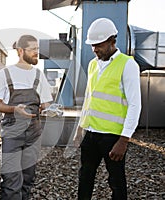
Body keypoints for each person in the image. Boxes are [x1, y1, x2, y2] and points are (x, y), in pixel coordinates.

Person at [73, 18, 142, 200]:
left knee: (117, 182)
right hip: (90, 133)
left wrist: (124, 140)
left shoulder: (128, 65)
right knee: (85, 178)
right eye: (92, 45)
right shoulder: (93, 64)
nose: (95, 49)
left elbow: (135, 105)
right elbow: (89, 98)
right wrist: (80, 128)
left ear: (112, 41)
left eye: (99, 45)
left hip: (112, 137)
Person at [0, 34, 53, 200]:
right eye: (33, 50)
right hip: (11, 134)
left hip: (33, 134)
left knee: (27, 179)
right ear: (20, 51)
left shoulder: (39, 76)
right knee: (11, 181)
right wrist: (14, 109)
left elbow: (45, 104)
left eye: (37, 50)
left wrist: (46, 108)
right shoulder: (4, 74)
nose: (36, 53)